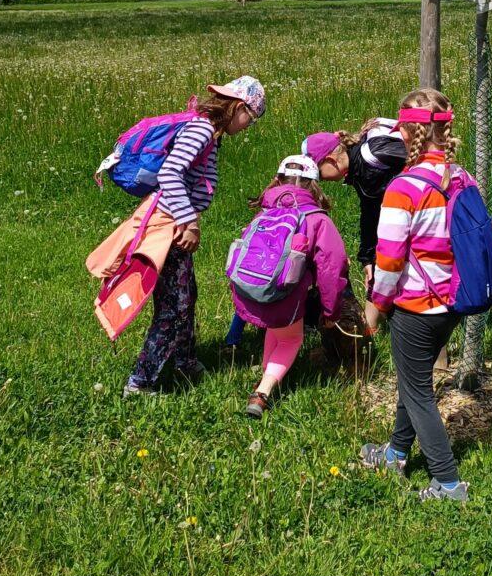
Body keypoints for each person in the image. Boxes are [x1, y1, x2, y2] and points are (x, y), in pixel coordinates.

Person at [360, 88, 484, 503]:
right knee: (414, 383)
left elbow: (390, 260)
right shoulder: (463, 177)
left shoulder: (403, 189)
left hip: (416, 306)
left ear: (408, 132)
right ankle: (394, 454)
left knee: (416, 391)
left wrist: (376, 307)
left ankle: (447, 483)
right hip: (452, 302)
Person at [122, 74, 266, 398]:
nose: (248, 127)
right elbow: (169, 173)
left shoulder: (210, 133)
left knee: (187, 296)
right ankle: (140, 382)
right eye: (251, 119)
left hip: (177, 225)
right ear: (239, 108)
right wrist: (190, 222)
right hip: (170, 227)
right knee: (174, 306)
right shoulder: (201, 130)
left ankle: (184, 360)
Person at [225, 155, 354, 418]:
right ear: (314, 185)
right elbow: (333, 268)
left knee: (278, 330)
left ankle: (267, 375)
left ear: (279, 180)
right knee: (291, 338)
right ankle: (263, 392)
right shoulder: (317, 219)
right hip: (286, 295)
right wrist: (331, 312)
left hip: (249, 291)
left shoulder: (265, 211)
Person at [302, 121, 407, 312]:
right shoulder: (359, 168)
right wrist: (367, 258)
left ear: (331, 160)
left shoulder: (372, 157)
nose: (320, 180)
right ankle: (373, 325)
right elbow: (370, 209)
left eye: (319, 173)